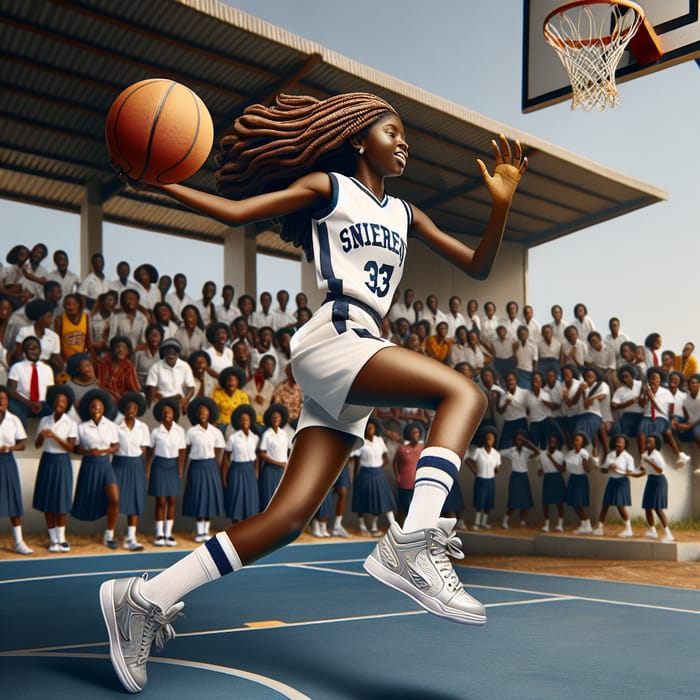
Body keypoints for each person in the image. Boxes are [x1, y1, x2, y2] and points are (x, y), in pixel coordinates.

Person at [100, 91, 527, 691]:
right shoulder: (329, 187)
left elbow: (478, 267)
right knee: (466, 394)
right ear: (358, 137)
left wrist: (500, 206)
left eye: (407, 135)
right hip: (336, 337)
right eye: (392, 129)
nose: (404, 141)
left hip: (359, 348)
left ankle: (142, 599)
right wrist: (157, 181)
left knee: (286, 519)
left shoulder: (406, 214)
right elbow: (233, 214)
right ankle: (413, 539)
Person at [71, 388, 121, 549]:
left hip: (105, 464)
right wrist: (87, 451)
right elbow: (75, 449)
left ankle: (109, 535)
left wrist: (103, 451)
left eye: (99, 407)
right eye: (93, 407)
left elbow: (115, 447)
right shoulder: (82, 427)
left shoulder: (111, 426)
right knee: (87, 498)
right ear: (89, 409)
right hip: (88, 465)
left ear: (104, 408)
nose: (96, 410)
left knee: (114, 498)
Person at [33, 384, 78, 553]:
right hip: (47, 460)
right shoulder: (45, 420)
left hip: (62, 462)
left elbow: (72, 448)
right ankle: (53, 539)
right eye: (57, 401)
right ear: (52, 403)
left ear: (67, 405)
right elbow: (37, 446)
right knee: (48, 501)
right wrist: (41, 436)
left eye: (63, 402)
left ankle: (62, 538)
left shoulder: (70, 423)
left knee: (61, 500)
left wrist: (54, 436)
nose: (59, 403)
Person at [182, 397, 225, 543]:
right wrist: (183, 469)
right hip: (196, 466)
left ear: (209, 414)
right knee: (198, 497)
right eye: (200, 413)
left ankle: (206, 531)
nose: (202, 415)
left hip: (211, 466)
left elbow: (219, 452)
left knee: (209, 498)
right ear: (196, 414)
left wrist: (216, 468)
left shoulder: (216, 432)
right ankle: (199, 531)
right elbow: (186, 451)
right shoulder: (192, 432)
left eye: (205, 413)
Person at [113, 392, 152, 551]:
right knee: (115, 500)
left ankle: (131, 537)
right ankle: (112, 535)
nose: (130, 409)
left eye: (134, 407)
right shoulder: (116, 426)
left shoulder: (143, 427)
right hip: (119, 464)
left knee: (135, 501)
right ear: (124, 409)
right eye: (128, 407)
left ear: (138, 410)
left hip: (136, 464)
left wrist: (144, 468)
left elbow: (144, 448)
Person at [146, 398, 187, 546]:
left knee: (172, 500)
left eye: (169, 412)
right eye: (164, 413)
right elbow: (149, 452)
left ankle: (169, 534)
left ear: (173, 414)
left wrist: (180, 470)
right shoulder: (156, 432)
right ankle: (159, 534)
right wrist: (147, 469)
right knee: (161, 500)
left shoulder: (180, 431)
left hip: (173, 466)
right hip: (159, 466)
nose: (166, 415)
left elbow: (182, 452)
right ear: (160, 415)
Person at [0, 385, 33, 554]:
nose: (1, 401)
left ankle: (19, 542)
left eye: (3, 398)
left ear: (7, 401)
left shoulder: (14, 420)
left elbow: (22, 443)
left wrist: (9, 448)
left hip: (7, 461)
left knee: (13, 500)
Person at [592, 434, 645, 538]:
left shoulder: (628, 457)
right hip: (612, 480)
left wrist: (616, 470)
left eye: (621, 442)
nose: (618, 443)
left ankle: (629, 529)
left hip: (622, 481)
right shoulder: (610, 455)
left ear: (625, 445)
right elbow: (604, 470)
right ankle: (599, 528)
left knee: (620, 505)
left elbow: (629, 473)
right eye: (617, 441)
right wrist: (603, 468)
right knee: (605, 504)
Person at [352, 417, 395, 536]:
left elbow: (386, 457)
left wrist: (379, 466)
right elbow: (356, 462)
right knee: (361, 500)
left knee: (382, 500)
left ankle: (376, 526)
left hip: (378, 473)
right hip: (365, 474)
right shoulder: (361, 443)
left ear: (375, 428)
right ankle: (362, 525)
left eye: (372, 427)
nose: (369, 429)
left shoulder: (379, 440)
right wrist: (356, 478)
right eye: (367, 428)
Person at [7, 335, 54, 426]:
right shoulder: (17, 367)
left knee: (53, 413)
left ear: (40, 350)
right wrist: (30, 403)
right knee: (16, 412)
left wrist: (39, 404)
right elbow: (11, 390)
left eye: (35, 348)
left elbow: (50, 391)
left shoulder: (47, 368)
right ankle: (21, 437)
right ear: (25, 351)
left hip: (42, 403)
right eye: (30, 348)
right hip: (23, 402)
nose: (34, 351)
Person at [639, 433, 675, 543]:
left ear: (655, 444)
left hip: (659, 481)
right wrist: (639, 470)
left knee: (657, 508)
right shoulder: (645, 454)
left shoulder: (656, 455)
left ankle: (668, 534)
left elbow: (660, 470)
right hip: (650, 480)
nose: (647, 442)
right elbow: (645, 469)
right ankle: (652, 531)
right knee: (647, 506)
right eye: (647, 441)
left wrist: (649, 462)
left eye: (651, 441)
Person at [465, 426, 501, 530]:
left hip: (490, 480)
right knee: (479, 502)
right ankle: (477, 523)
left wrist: (496, 469)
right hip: (480, 480)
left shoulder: (496, 454)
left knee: (488, 502)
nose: (489, 439)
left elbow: (497, 466)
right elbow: (468, 460)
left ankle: (484, 522)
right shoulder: (478, 451)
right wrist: (474, 470)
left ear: (494, 440)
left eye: (491, 438)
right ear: (484, 439)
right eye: (487, 437)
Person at [500, 430, 537, 528]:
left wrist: (527, 442)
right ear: (515, 440)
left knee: (525, 500)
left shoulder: (526, 451)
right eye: (518, 439)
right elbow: (498, 453)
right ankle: (505, 521)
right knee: (513, 500)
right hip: (515, 477)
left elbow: (537, 452)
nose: (519, 441)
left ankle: (523, 522)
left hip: (524, 476)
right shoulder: (511, 451)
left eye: (521, 439)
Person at [257, 403, 289, 511]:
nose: (275, 419)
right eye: (273, 417)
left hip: (282, 469)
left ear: (281, 419)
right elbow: (261, 454)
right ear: (270, 419)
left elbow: (287, 451)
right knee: (268, 496)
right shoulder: (267, 434)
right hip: (270, 469)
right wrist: (277, 463)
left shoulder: (284, 434)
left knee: (281, 497)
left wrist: (285, 464)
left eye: (278, 417)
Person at [533, 432, 566, 533]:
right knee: (545, 502)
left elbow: (562, 470)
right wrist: (541, 469)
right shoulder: (542, 454)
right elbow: (539, 470)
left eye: (554, 442)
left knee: (559, 502)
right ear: (548, 443)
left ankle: (560, 525)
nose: (552, 444)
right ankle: (546, 525)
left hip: (557, 478)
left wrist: (551, 459)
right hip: (547, 478)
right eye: (550, 442)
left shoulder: (561, 455)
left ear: (557, 444)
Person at [564, 431, 593, 534]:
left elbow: (588, 470)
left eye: (578, 440)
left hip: (581, 479)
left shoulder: (583, 453)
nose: (575, 442)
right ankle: (584, 524)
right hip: (572, 479)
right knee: (574, 504)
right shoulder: (569, 453)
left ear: (582, 443)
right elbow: (564, 466)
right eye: (575, 440)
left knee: (580, 504)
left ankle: (588, 525)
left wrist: (585, 461)